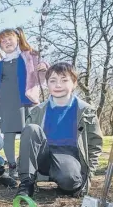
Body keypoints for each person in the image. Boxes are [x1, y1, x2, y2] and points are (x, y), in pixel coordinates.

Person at [16, 63, 103, 198]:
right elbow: (27, 144)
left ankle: (64, 178)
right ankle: (27, 184)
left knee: (70, 181)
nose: (58, 85)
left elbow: (95, 145)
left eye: (64, 80)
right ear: (47, 84)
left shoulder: (87, 111)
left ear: (74, 83)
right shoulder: (36, 111)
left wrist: (89, 176)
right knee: (31, 129)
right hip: (44, 153)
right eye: (53, 81)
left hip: (68, 155)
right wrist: (22, 167)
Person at [0, 27, 49, 179]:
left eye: (9, 39)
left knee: (29, 133)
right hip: (6, 103)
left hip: (25, 101)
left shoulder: (29, 58)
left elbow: (41, 79)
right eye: (3, 41)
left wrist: (44, 67)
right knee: (8, 135)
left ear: (18, 39)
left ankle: (27, 165)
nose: (7, 43)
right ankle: (12, 165)